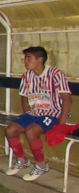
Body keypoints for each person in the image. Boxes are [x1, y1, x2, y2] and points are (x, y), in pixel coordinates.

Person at [5, 46, 72, 181]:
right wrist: (27, 115)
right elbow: (24, 98)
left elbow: (67, 100)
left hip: (53, 114)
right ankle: (22, 160)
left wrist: (61, 124)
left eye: (29, 58)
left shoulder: (56, 74)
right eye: (25, 58)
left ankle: (41, 165)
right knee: (10, 130)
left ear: (40, 60)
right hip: (35, 113)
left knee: (31, 131)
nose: (26, 61)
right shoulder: (27, 76)